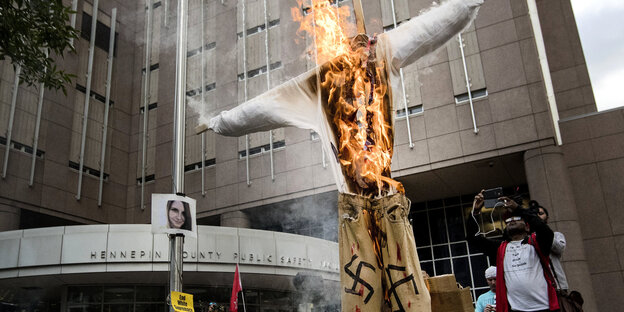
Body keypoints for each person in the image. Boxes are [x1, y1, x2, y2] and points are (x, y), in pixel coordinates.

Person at [467, 190, 559, 312]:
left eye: (516, 218)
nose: (512, 221)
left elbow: (544, 230)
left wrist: (518, 208)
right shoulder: (500, 248)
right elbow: (473, 239)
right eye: (508, 221)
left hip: (545, 308)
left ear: (527, 226)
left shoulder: (538, 243)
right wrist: (475, 212)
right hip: (516, 309)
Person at [532, 201, 568, 292]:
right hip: (537, 287)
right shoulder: (528, 238)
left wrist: (544, 232)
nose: (538, 216)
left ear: (547, 218)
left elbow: (559, 249)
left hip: (557, 285)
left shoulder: (556, 235)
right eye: (535, 215)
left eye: (540, 214)